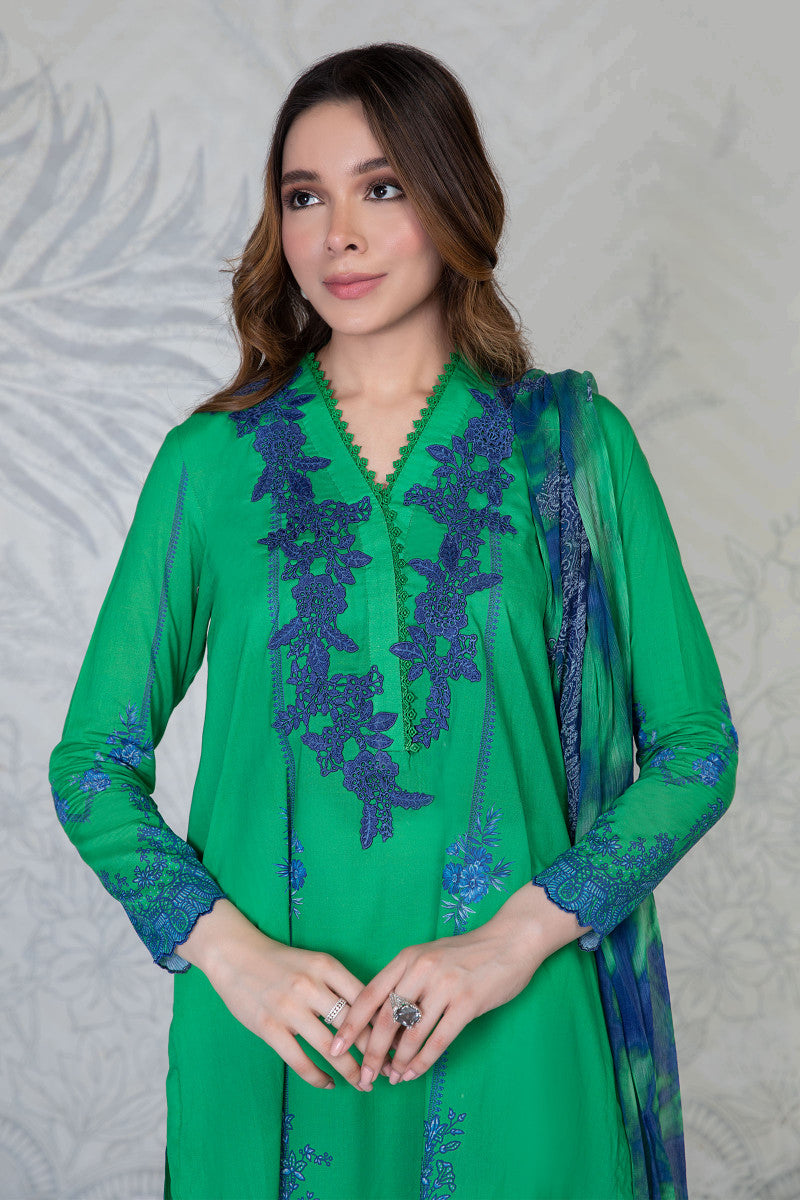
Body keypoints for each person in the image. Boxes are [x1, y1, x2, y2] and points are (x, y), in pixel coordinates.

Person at [49, 42, 738, 1200]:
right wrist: (229, 954)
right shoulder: (210, 464)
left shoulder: (568, 449)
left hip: (513, 1028)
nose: (338, 235)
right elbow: (89, 763)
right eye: (302, 198)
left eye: (380, 188)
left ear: (452, 199)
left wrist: (513, 940)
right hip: (274, 1045)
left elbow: (695, 749)